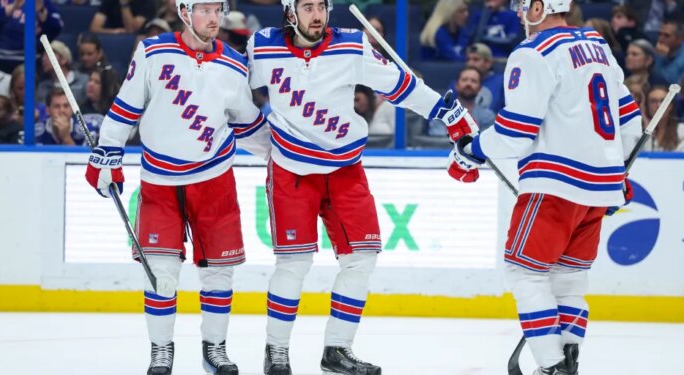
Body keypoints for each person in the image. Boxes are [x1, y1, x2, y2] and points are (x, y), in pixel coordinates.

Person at [245, 0, 479, 373]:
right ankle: (276, 352)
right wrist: (263, 145)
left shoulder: (351, 44)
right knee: (293, 264)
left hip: (345, 169)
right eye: (308, 7)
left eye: (321, 6)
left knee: (361, 259)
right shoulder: (262, 47)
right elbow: (235, 98)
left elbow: (401, 85)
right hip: (292, 172)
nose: (317, 15)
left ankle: (337, 350)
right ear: (291, 13)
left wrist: (446, 113)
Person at [448, 1, 642, 374]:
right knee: (569, 282)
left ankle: (551, 366)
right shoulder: (597, 43)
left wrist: (472, 150)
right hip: (598, 188)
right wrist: (617, 174)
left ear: (540, 6)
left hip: (555, 185)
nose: (520, 13)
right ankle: (567, 360)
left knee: (525, 272)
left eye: (524, 5)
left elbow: (516, 133)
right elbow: (629, 118)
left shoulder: (533, 52)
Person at [84, 0, 270, 374]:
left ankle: (214, 349)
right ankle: (161, 350)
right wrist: (107, 154)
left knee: (219, 273)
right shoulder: (153, 51)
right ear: (185, 12)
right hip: (160, 183)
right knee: (160, 273)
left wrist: (282, 158)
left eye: (218, 10)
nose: (214, 18)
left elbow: (249, 123)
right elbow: (125, 108)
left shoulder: (234, 63)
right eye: (205, 10)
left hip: (214, 180)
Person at [0, 0, 63, 73]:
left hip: (30, 62)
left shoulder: (40, 2)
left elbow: (56, 27)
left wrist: (43, 15)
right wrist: (13, 6)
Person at [36, 88, 101, 145]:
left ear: (72, 109)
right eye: (57, 106)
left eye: (66, 106)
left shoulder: (86, 131)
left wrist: (66, 137)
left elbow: (85, 158)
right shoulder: (36, 133)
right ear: (48, 111)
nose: (62, 110)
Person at [38, 40, 89, 107]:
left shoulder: (84, 81)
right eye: (43, 55)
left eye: (48, 55)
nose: (43, 59)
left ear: (63, 59)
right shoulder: (43, 87)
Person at [643, 85, 684, 151]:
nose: (659, 105)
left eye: (663, 101)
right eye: (653, 101)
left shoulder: (682, 130)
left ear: (670, 106)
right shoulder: (639, 132)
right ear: (647, 106)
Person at [89, 0, 156, 34]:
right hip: (112, 39)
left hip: (135, 43)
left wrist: (124, 4)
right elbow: (94, 28)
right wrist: (113, 32)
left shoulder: (147, 2)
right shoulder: (110, 1)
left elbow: (131, 31)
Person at [654, 18, 684, 84]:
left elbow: (671, 84)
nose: (660, 39)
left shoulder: (682, 59)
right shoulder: (658, 51)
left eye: (666, 35)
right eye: (659, 34)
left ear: (680, 39)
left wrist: (660, 58)